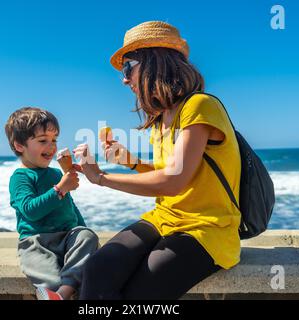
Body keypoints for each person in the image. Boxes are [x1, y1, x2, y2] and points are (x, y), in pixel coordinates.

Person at [73, 21, 241, 300]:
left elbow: (174, 181)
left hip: (207, 228)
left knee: (141, 292)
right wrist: (130, 161)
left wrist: (101, 178)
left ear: (155, 62)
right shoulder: (161, 119)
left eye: (128, 68)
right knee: (98, 268)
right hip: (165, 218)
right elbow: (170, 173)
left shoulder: (199, 106)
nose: (124, 79)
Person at [5, 107, 99, 300]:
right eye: (42, 141)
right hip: (36, 241)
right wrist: (60, 189)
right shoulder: (20, 178)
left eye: (54, 140)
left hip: (66, 238)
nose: (51, 146)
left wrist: (82, 231)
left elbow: (70, 207)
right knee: (46, 275)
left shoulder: (56, 174)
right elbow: (30, 210)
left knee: (87, 235)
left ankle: (63, 293)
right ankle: (61, 291)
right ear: (19, 145)